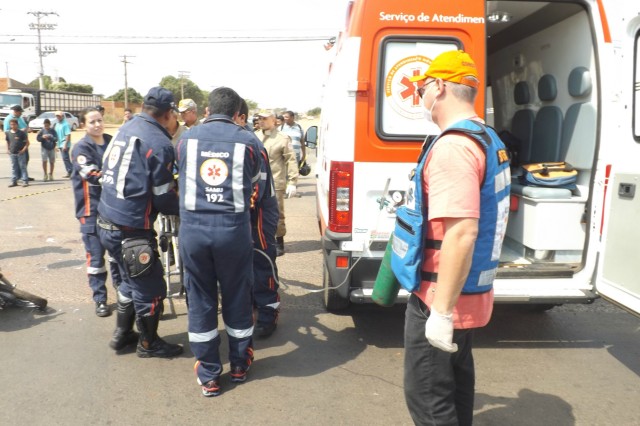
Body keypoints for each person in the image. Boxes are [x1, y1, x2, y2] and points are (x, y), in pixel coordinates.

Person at [403, 50, 511, 426]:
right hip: (469, 294)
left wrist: (441, 313)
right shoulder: (487, 137)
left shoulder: (453, 147)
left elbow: (462, 232)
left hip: (441, 299)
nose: (421, 96)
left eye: (421, 88)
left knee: (429, 401)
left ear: (439, 85)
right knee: (456, 391)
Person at [176, 87, 262, 397]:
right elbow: (252, 184)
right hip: (232, 233)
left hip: (194, 233)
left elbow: (181, 173)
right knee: (237, 294)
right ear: (237, 111)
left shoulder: (186, 139)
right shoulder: (249, 141)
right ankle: (239, 364)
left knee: (200, 299)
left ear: (207, 109)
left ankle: (209, 374)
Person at [97, 87, 183, 358]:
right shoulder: (159, 143)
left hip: (105, 221)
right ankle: (149, 344)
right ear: (169, 114)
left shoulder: (127, 126)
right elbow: (163, 199)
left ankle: (122, 334)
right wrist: (188, 205)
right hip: (131, 230)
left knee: (128, 282)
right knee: (151, 288)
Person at [70, 108, 123, 317]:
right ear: (84, 125)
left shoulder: (111, 141)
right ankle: (100, 299)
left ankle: (122, 292)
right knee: (96, 257)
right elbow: (92, 175)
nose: (97, 125)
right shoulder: (81, 148)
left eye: (100, 120)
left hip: (112, 209)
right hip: (90, 210)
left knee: (117, 254)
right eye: (92, 122)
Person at [237, 99, 280, 338]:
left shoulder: (250, 142)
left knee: (262, 262)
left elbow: (257, 191)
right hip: (245, 213)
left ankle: (268, 313)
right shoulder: (239, 140)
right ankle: (253, 305)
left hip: (260, 214)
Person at [255, 110, 298, 256]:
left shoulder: (282, 138)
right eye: (260, 118)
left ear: (274, 121)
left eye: (265, 119)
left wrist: (293, 181)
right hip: (257, 182)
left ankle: (279, 241)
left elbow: (291, 160)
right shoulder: (254, 136)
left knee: (277, 214)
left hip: (275, 181)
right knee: (256, 212)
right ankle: (261, 240)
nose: (261, 121)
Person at [3, 105, 33, 180]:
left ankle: (23, 175)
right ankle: (18, 176)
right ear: (15, 111)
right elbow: (7, 131)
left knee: (26, 159)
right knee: (16, 162)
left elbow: (25, 126)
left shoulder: (20, 118)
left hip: (23, 141)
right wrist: (20, 130)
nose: (21, 113)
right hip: (16, 142)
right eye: (20, 112)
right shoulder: (9, 119)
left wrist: (27, 129)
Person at [5, 118, 30, 187]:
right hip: (12, 153)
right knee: (14, 167)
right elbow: (7, 141)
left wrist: (23, 150)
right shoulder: (8, 133)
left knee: (23, 167)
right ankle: (14, 181)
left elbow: (27, 143)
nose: (13, 126)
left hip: (20, 153)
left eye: (14, 124)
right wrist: (7, 149)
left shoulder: (21, 133)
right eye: (11, 124)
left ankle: (25, 180)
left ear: (17, 125)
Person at [54, 110, 73, 178]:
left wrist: (65, 144)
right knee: (65, 159)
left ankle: (72, 171)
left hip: (64, 144)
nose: (58, 117)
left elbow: (68, 135)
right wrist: (55, 145)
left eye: (59, 116)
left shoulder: (65, 124)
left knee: (66, 158)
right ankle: (69, 171)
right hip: (60, 144)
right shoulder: (57, 124)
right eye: (57, 116)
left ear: (62, 116)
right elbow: (56, 135)